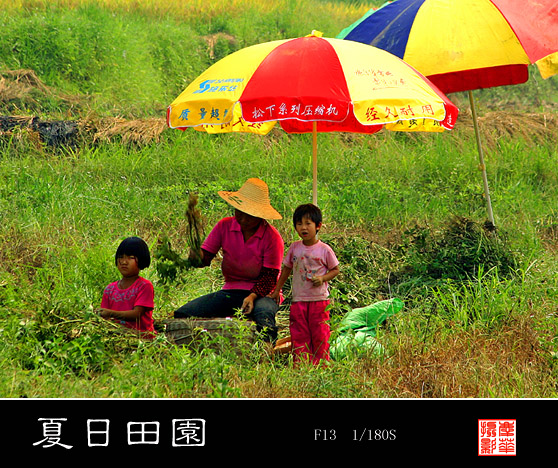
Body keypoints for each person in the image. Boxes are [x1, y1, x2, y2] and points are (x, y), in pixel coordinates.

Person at [174, 178, 284, 343]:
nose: (244, 219)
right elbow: (205, 259)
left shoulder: (272, 237)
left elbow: (269, 278)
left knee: (264, 316)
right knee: (184, 314)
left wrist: (252, 297)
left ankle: (267, 354)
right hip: (231, 292)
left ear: (260, 216)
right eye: (240, 212)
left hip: (262, 295)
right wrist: (195, 256)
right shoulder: (224, 226)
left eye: (250, 216)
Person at [268, 204, 339, 364]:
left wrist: (322, 278)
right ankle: (301, 365)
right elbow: (286, 269)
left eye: (308, 223)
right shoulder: (294, 248)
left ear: (318, 226)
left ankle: (320, 365)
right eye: (299, 224)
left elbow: (335, 270)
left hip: (319, 301)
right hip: (298, 300)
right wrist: (277, 290)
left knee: (320, 334)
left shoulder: (324, 250)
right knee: (299, 334)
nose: (303, 228)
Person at [97, 236, 156, 336]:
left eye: (131, 258)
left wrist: (111, 313)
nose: (124, 262)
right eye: (121, 257)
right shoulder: (110, 289)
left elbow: (136, 314)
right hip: (115, 337)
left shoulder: (144, 286)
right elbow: (104, 318)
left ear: (141, 260)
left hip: (141, 339)